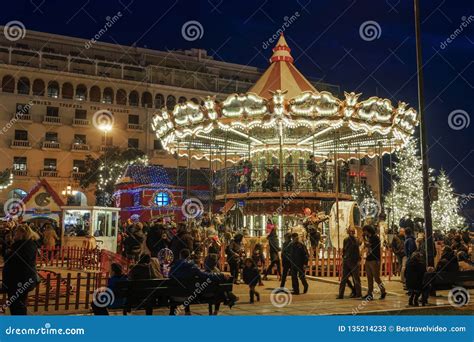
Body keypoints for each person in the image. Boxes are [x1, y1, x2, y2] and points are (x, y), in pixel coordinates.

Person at [169, 249, 227, 315]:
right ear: (189, 256)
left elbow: (169, 276)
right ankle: (187, 312)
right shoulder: (193, 267)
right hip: (189, 297)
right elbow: (206, 275)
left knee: (180, 288)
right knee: (188, 288)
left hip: (174, 296)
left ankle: (174, 313)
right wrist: (221, 275)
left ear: (180, 256)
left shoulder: (173, 267)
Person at [2, 224, 40, 315]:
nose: (15, 234)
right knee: (18, 304)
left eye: (16, 232)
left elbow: (13, 260)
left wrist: (9, 252)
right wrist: (6, 246)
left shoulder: (25, 245)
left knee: (17, 306)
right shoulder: (25, 244)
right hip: (19, 280)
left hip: (19, 280)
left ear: (22, 233)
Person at [362, 225, 386, 300]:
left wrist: (364, 239)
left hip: (374, 260)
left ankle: (383, 291)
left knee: (376, 278)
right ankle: (369, 294)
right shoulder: (369, 238)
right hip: (368, 259)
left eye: (364, 230)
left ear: (368, 230)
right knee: (369, 278)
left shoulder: (375, 237)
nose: (364, 232)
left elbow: (368, 245)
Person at [337, 227, 362, 299]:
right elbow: (344, 249)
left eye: (352, 231)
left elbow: (358, 246)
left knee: (355, 278)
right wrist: (343, 257)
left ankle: (358, 294)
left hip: (353, 261)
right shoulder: (346, 240)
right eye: (351, 231)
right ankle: (341, 294)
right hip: (347, 260)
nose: (351, 232)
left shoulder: (356, 240)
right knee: (344, 279)